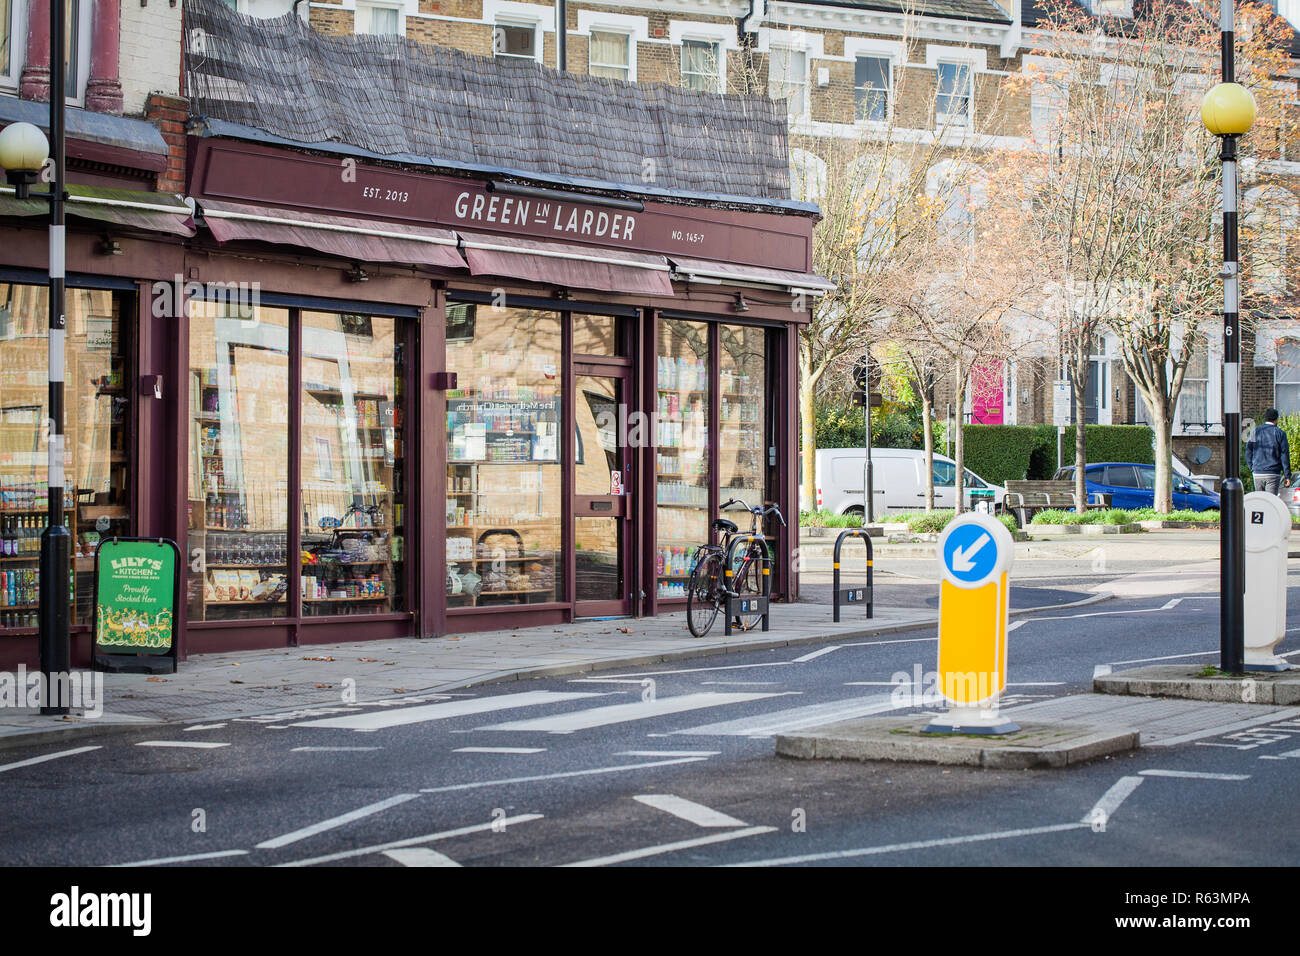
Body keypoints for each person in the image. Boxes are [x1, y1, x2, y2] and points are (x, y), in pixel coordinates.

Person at [1246, 408, 1292, 496]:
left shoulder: (1254, 432)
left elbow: (1248, 451)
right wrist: (1287, 475)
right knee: (1270, 501)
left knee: (1260, 500)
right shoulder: (1280, 433)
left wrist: (1252, 467)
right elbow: (1284, 455)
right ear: (1277, 419)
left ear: (1265, 418)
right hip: (1272, 473)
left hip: (1257, 472)